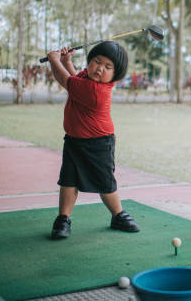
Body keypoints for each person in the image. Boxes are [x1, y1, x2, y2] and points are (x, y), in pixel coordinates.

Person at [47, 41, 140, 239]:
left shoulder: (97, 91)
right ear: (89, 62)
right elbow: (74, 78)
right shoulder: (85, 79)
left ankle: (118, 215)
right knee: (68, 180)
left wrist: (54, 61)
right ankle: (63, 219)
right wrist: (67, 61)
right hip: (74, 140)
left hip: (98, 143)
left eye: (108, 67)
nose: (99, 69)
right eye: (97, 61)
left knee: (105, 182)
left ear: (115, 75)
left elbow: (64, 80)